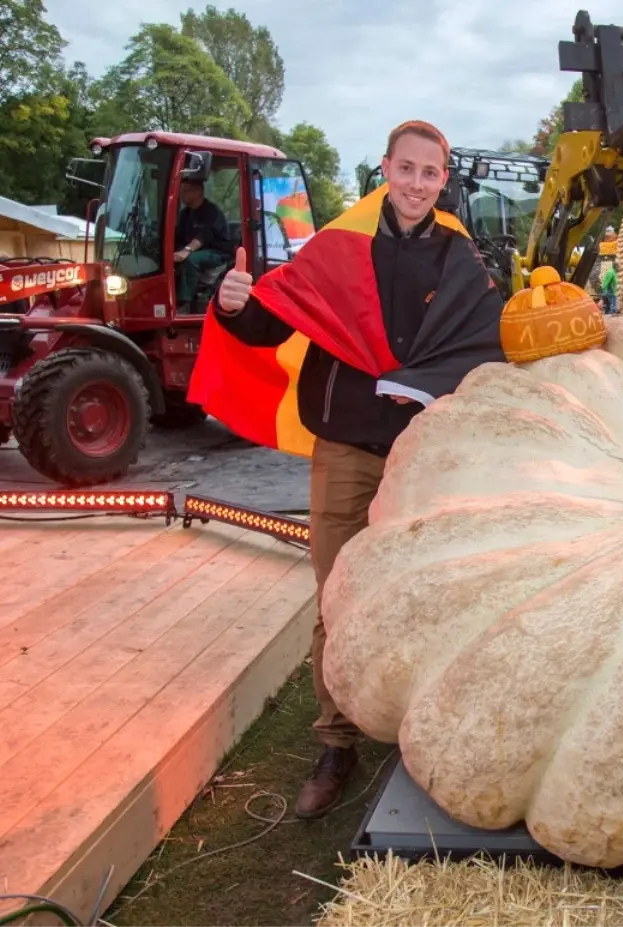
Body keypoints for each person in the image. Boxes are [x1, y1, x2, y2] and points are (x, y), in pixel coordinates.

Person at [195, 120, 505, 818]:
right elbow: (272, 320)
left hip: (421, 456)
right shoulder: (340, 244)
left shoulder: (461, 257)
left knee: (428, 590)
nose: (419, 184)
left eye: (432, 173)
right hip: (345, 451)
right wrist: (231, 301)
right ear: (387, 169)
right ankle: (336, 741)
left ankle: (416, 724)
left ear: (443, 179)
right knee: (336, 595)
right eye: (408, 169)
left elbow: (487, 339)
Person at [174, 179, 234, 306]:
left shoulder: (211, 212)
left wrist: (186, 251)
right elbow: (178, 235)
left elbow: (204, 236)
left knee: (191, 260)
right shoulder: (185, 213)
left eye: (185, 191)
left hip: (218, 253)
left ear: (197, 191)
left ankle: (184, 302)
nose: (181, 194)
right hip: (199, 251)